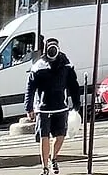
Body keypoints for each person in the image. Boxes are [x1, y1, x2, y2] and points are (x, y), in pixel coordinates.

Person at [25, 37, 82, 175]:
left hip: (60, 107)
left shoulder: (66, 64)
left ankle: (53, 157)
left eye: (54, 48)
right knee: (44, 137)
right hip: (43, 108)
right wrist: (29, 107)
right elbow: (30, 87)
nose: (52, 51)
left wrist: (76, 103)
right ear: (45, 50)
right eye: (50, 48)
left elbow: (73, 85)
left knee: (60, 136)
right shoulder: (38, 66)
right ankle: (45, 167)